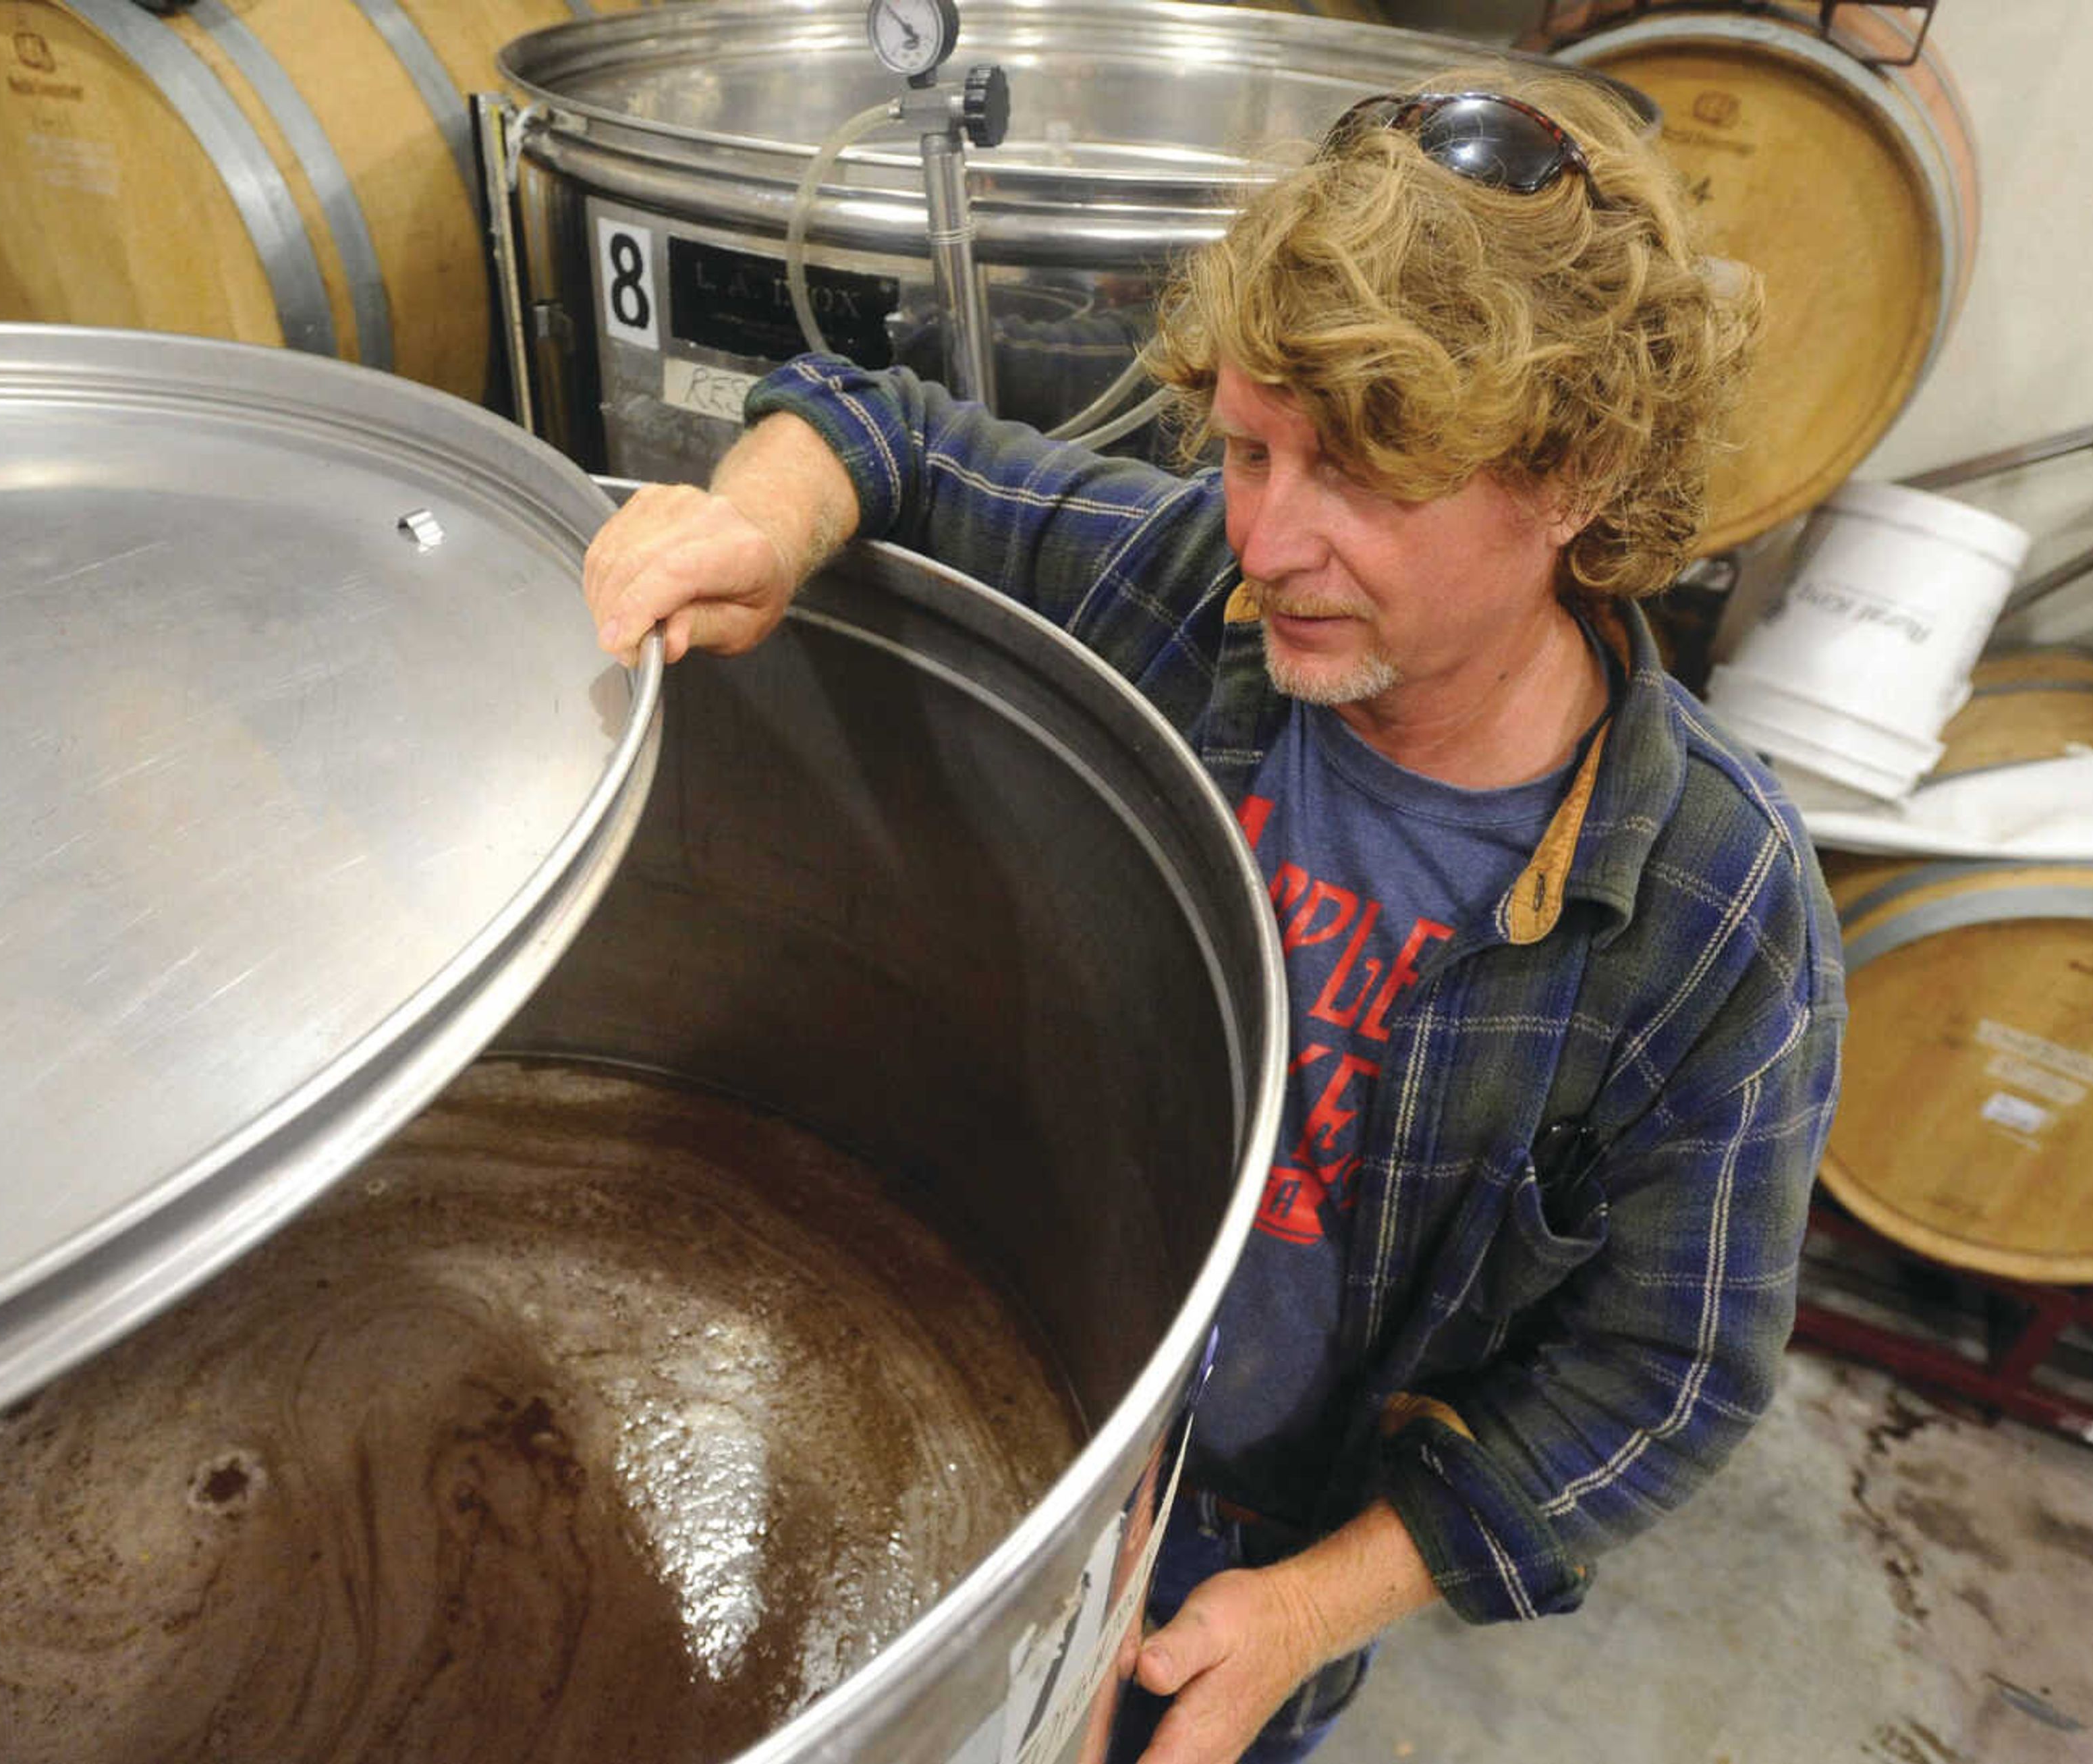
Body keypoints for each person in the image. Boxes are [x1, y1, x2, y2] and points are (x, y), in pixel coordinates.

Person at [581, 69, 1845, 1764]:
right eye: (1252, 448)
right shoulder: (1190, 591)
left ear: (1577, 477)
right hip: (1028, 1387)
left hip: (1260, 1532)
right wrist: (757, 520)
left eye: (1368, 476)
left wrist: (1311, 1608)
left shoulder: (1710, 908)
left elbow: (1666, 1369)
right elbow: (877, 423)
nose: (1270, 537)